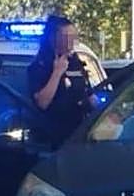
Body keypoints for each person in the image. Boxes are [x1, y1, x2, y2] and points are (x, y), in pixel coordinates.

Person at [27, 16, 98, 147]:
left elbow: (87, 93)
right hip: (52, 140)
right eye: (65, 36)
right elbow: (42, 102)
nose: (70, 41)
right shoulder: (39, 66)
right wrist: (57, 73)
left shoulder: (76, 62)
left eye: (73, 36)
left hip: (78, 137)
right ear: (53, 38)